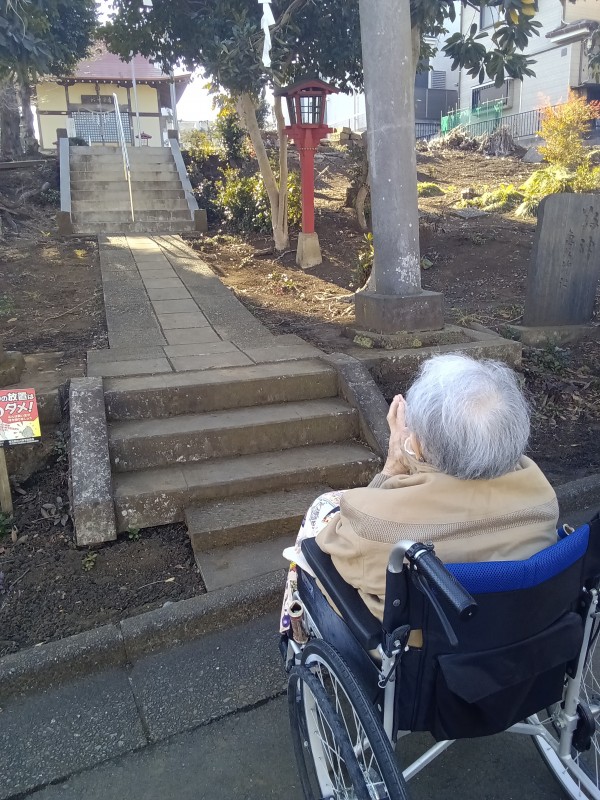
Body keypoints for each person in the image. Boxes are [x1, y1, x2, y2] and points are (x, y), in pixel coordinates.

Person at [280, 353, 558, 632]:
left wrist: (395, 463)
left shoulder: (374, 522)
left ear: (419, 444)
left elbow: (330, 550)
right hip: (511, 637)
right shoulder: (541, 497)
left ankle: (293, 631)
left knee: (321, 513)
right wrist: (418, 452)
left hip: (413, 649)